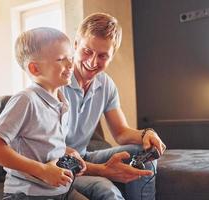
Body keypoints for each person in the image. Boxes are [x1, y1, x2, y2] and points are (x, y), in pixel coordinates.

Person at [63, 13, 166, 200]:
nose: (93, 62)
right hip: (58, 162)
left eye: (103, 56)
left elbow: (120, 133)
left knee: (144, 150)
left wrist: (146, 134)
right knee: (106, 189)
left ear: (111, 56)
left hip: (84, 156)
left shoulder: (106, 85)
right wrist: (104, 171)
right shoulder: (57, 80)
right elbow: (47, 148)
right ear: (76, 44)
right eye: (87, 51)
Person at [0, 27, 88, 200]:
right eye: (61, 59)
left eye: (71, 58)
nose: (70, 64)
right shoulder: (26, 100)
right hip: (28, 194)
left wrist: (68, 152)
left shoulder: (62, 100)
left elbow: (44, 144)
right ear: (34, 69)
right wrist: (42, 171)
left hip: (62, 191)